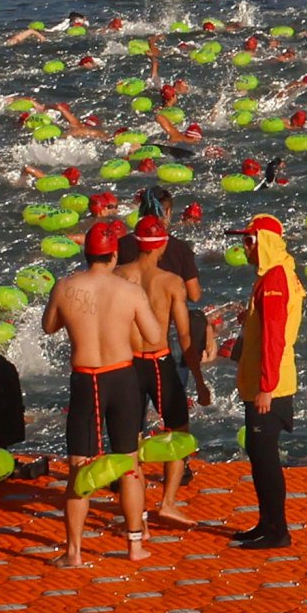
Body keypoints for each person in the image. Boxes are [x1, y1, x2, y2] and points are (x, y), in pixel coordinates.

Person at [46, 225, 163, 568]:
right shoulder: (129, 291)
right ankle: (135, 545)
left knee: (79, 468)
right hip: (123, 378)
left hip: (86, 381)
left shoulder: (65, 286)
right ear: (114, 256)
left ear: (86, 254)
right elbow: (154, 336)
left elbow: (49, 326)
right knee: (129, 464)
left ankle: (74, 553)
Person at [226, 213, 303, 551]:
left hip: (271, 384)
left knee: (266, 457)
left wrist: (266, 387)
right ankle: (266, 521)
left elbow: (275, 337)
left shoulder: (274, 279)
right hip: (267, 379)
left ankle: (278, 531)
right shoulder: (277, 274)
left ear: (265, 243)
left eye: (249, 241)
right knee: (257, 455)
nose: (244, 248)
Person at [126, 215, 200, 526]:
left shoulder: (118, 275)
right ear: (164, 244)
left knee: (129, 440)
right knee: (178, 432)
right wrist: (200, 378)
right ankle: (167, 502)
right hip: (158, 363)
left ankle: (136, 509)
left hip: (124, 364)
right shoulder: (170, 282)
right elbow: (184, 337)